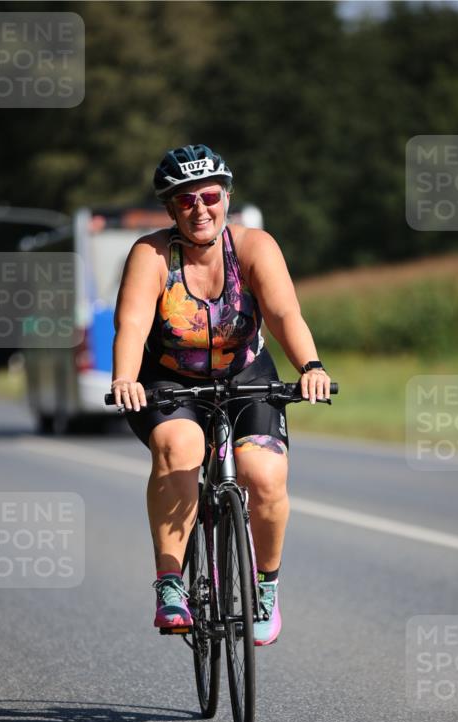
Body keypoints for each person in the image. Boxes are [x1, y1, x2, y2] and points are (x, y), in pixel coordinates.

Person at [111, 144, 330, 645]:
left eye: (209, 197)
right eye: (185, 201)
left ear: (226, 197)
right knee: (180, 447)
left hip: (246, 373)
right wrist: (125, 378)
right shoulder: (151, 254)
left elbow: (284, 314)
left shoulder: (254, 247)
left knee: (264, 473)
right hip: (168, 378)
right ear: (170, 209)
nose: (200, 209)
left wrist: (311, 366)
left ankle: (266, 589)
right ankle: (171, 585)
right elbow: (133, 323)